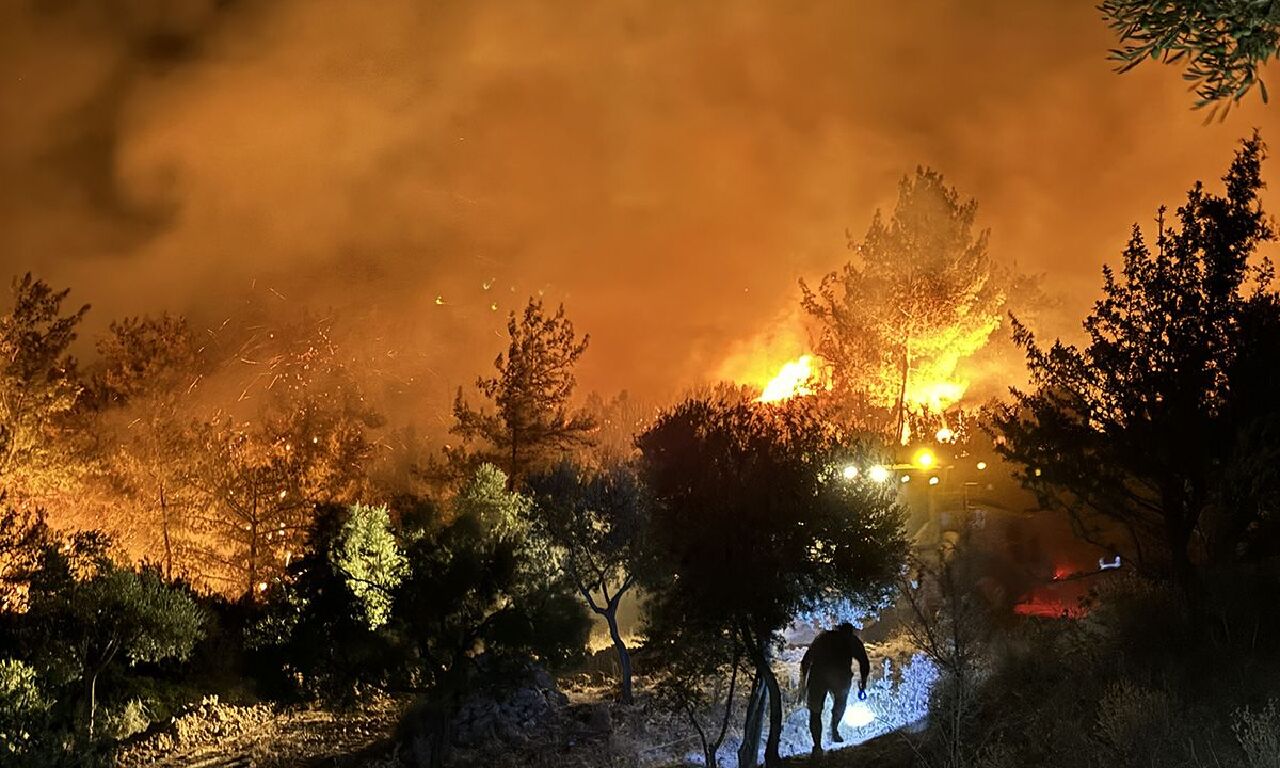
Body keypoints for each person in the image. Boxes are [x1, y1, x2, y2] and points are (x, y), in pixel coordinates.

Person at [798, 622, 870, 756]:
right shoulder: (850, 640)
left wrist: (803, 682)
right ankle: (833, 731)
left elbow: (806, 659)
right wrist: (863, 682)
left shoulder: (823, 638)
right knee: (838, 706)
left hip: (820, 677)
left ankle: (818, 745)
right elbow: (864, 661)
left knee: (816, 712)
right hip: (837, 678)